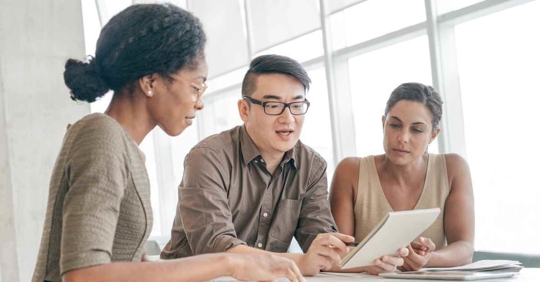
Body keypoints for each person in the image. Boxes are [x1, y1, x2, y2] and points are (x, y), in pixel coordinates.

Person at [32, 4, 304, 282]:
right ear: (151, 81)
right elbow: (84, 275)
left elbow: (129, 266)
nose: (199, 103)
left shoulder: (127, 150)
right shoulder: (101, 135)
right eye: (196, 87)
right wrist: (229, 262)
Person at [160, 54, 407, 276]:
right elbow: (217, 249)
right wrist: (299, 262)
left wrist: (370, 259)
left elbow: (320, 245)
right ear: (244, 110)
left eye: (297, 105)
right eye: (273, 105)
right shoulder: (208, 158)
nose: (288, 118)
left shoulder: (312, 165)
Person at [329, 82, 474, 274]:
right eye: (395, 125)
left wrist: (429, 259)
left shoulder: (453, 169)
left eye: (416, 130)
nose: (402, 137)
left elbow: (464, 248)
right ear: (383, 124)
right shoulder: (350, 171)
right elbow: (338, 252)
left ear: (433, 135)